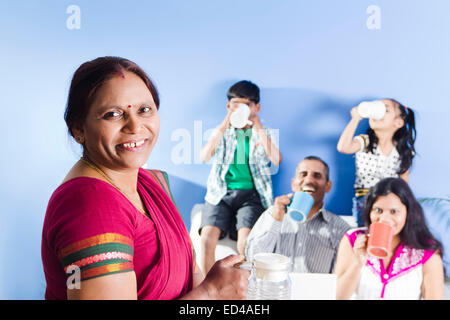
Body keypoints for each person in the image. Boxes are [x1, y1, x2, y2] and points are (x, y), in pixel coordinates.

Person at [41, 56, 249, 300]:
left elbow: (191, 273)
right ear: (78, 129)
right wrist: (212, 292)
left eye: (144, 110)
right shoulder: (90, 205)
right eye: (113, 114)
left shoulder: (151, 183)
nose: (135, 126)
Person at [198, 80, 282, 274]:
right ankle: (208, 287)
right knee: (206, 238)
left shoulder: (263, 132)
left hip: (251, 196)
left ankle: (240, 287)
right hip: (221, 193)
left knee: (245, 242)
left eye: (247, 105)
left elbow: (276, 159)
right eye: (237, 105)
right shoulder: (221, 132)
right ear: (229, 106)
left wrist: (258, 126)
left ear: (256, 107)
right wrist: (226, 122)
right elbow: (204, 156)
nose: (242, 109)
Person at [334, 177, 444, 300]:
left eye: (394, 211)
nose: (384, 218)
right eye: (378, 210)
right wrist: (358, 263)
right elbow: (337, 297)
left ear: (408, 213)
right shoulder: (353, 239)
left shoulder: (427, 252)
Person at [245, 156, 350, 273]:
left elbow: (342, 277)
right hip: (275, 290)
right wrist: (275, 220)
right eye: (303, 174)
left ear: (328, 186)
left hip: (316, 291)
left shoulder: (341, 228)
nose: (309, 180)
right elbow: (253, 259)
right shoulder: (272, 214)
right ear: (294, 184)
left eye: (317, 175)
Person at [337, 98, 416, 227]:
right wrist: (356, 118)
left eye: (386, 109)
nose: (378, 112)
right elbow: (343, 147)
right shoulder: (365, 142)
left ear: (398, 122)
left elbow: (404, 183)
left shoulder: (402, 151)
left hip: (390, 201)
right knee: (364, 234)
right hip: (366, 199)